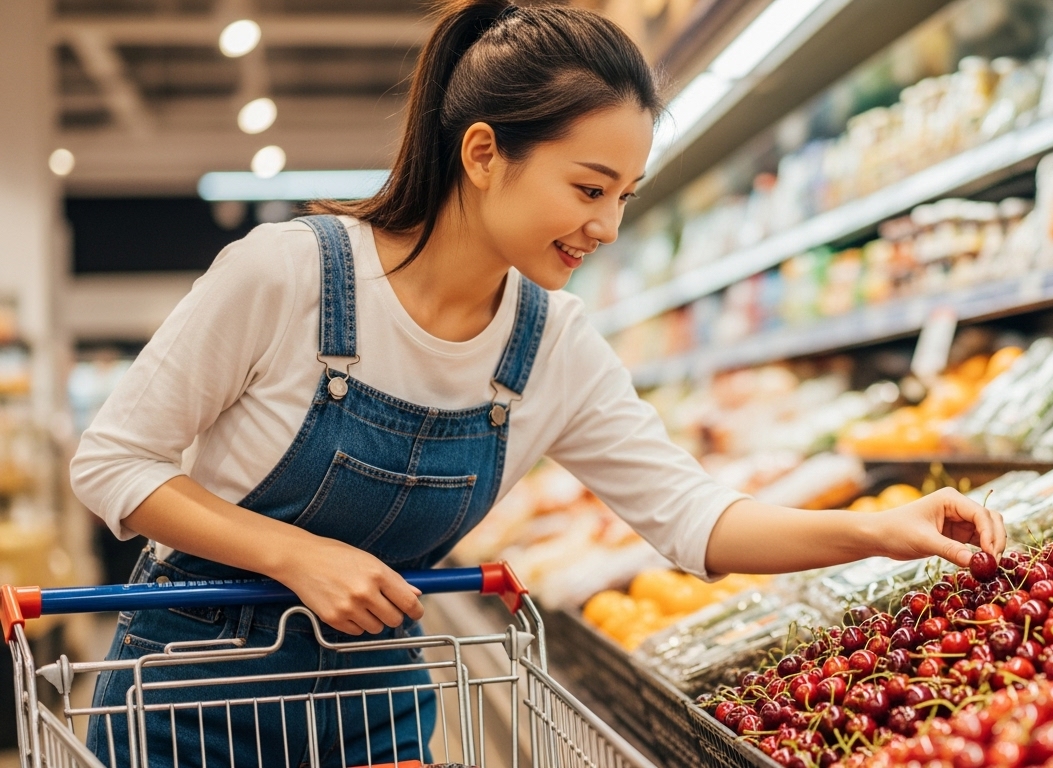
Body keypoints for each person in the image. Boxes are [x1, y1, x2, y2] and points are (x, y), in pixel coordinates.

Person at [70, 1, 1005, 766]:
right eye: (588, 188)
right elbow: (113, 463)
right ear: (484, 155)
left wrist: (877, 531)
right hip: (187, 697)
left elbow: (693, 517)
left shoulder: (553, 343)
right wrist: (293, 554)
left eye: (626, 196)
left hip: (374, 706)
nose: (607, 226)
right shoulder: (291, 275)